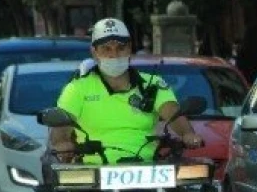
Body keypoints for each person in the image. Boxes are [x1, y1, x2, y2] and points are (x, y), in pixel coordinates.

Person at [48, 18, 202, 165]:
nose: (114, 55)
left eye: (120, 48)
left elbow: (173, 114)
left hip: (149, 170)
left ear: (129, 49)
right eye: (106, 48)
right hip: (93, 172)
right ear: (94, 52)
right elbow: (61, 127)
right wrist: (62, 144)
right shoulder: (77, 88)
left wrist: (187, 134)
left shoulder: (152, 83)